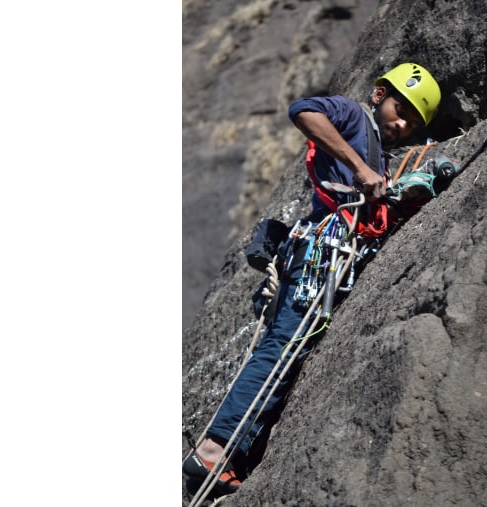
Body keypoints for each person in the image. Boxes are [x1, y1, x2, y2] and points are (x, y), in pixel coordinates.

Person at [183, 62, 441, 496]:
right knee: (282, 345)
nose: (401, 123)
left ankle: (232, 451)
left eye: (411, 122)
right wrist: (359, 169)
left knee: (289, 352)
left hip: (333, 255)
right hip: (320, 251)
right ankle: (214, 447)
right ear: (380, 95)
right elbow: (304, 110)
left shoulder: (379, 149)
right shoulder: (352, 114)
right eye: (400, 108)